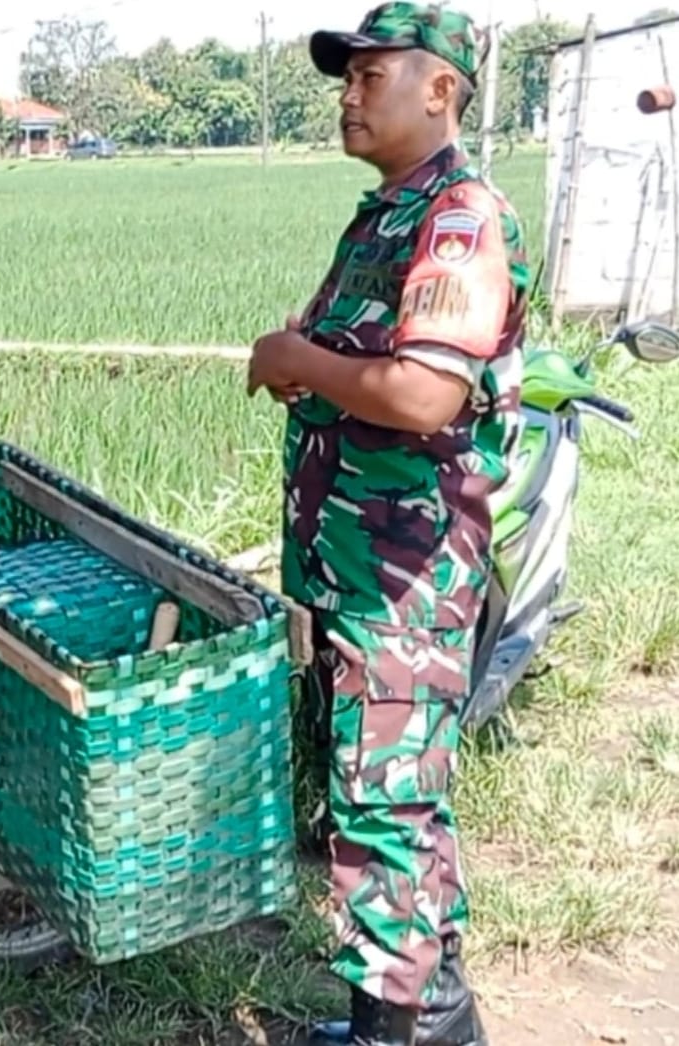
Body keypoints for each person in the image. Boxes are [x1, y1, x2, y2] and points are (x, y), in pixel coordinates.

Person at [244, 4, 527, 1045]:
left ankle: (389, 1032)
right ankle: (436, 1013)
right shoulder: (385, 213)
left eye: (373, 74)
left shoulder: (458, 215)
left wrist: (292, 359)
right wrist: (311, 367)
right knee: (389, 791)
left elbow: (418, 395)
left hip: (402, 576)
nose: (348, 91)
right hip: (355, 566)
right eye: (345, 75)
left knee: (384, 804)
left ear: (440, 88)